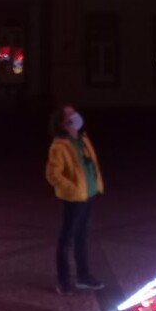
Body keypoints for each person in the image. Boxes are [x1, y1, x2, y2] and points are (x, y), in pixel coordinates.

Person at [45, 103, 105, 295]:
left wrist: (94, 184)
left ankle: (83, 276)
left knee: (82, 236)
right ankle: (64, 280)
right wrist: (71, 188)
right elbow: (52, 174)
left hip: (89, 194)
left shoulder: (82, 139)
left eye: (74, 113)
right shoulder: (59, 146)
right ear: (62, 123)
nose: (75, 116)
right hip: (74, 198)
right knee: (67, 238)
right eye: (69, 115)